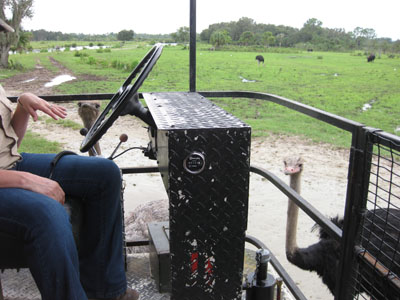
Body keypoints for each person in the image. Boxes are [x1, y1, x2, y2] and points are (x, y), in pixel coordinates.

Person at [0, 19, 139, 300]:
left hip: (10, 164)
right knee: (46, 212)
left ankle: (103, 289)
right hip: (8, 176)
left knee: (105, 173)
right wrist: (28, 181)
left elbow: (9, 143)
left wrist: (24, 106)